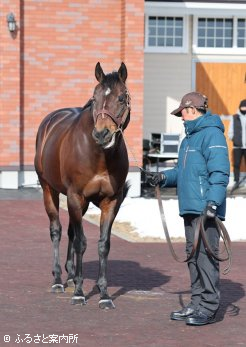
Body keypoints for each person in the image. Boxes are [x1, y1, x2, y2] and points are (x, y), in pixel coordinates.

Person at [148, 92, 230, 326]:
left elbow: (220, 172)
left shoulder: (212, 135)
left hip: (206, 210)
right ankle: (196, 303)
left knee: (206, 258)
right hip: (190, 209)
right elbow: (183, 173)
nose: (181, 118)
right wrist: (163, 176)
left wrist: (213, 203)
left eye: (182, 113)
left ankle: (208, 308)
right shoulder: (188, 140)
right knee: (193, 257)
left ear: (191, 110)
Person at [228, 99, 246, 191]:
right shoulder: (235, 117)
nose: (244, 108)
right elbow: (230, 131)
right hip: (237, 146)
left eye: (245, 106)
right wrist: (234, 139)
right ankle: (236, 181)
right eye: (243, 106)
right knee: (236, 164)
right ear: (240, 107)